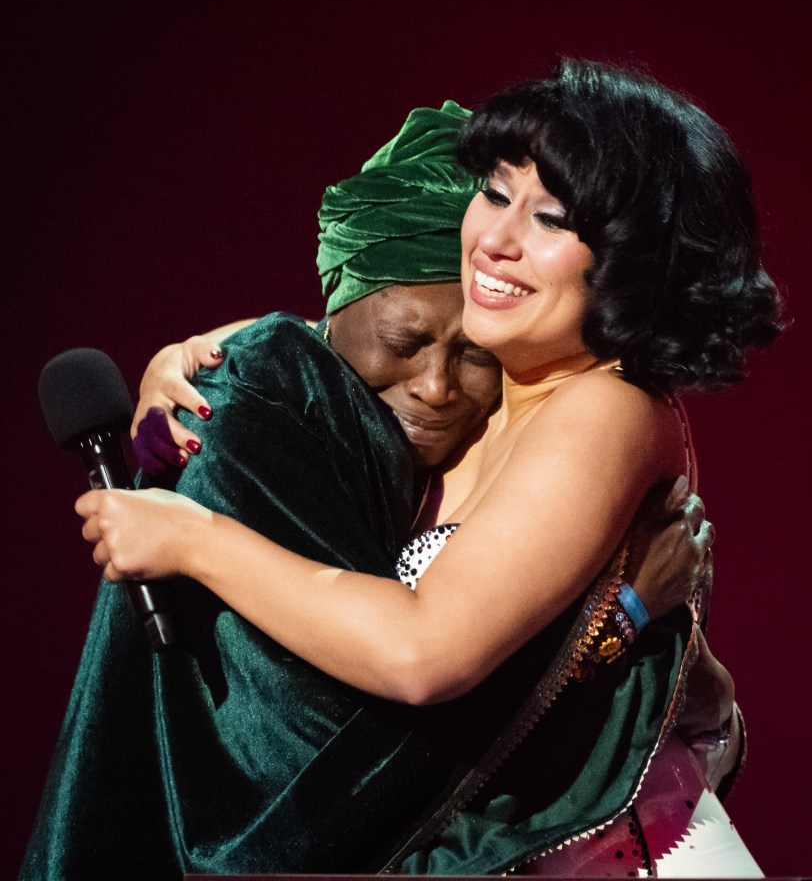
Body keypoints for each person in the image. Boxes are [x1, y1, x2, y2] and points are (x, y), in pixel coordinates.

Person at [23, 79, 737, 878]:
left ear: (635, 257)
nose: (495, 239)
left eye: (550, 218)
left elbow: (421, 653)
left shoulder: (609, 405)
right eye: (495, 194)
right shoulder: (496, 389)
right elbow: (331, 338)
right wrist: (189, 358)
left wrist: (193, 539)